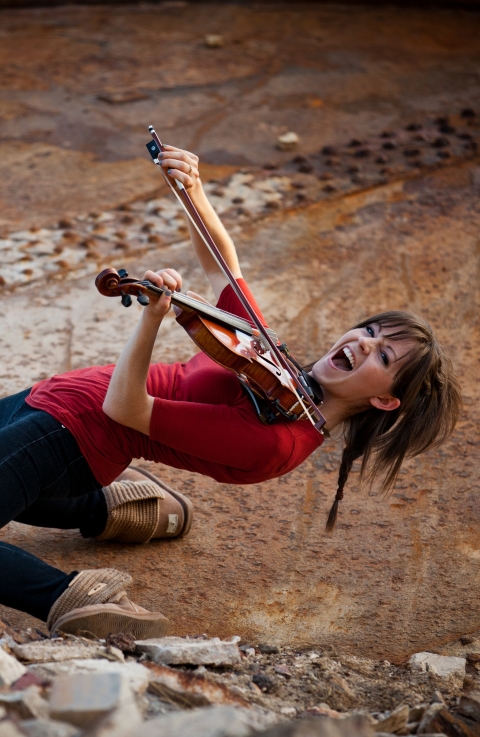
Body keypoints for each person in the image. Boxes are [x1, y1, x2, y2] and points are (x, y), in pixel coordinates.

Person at [0, 145, 461, 639]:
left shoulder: (273, 443)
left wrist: (153, 318)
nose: (363, 343)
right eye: (370, 331)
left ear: (386, 401)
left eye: (384, 357)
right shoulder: (273, 360)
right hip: (51, 400)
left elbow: (124, 408)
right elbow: (224, 268)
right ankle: (121, 508)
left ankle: (71, 599)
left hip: (73, 441)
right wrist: (192, 188)